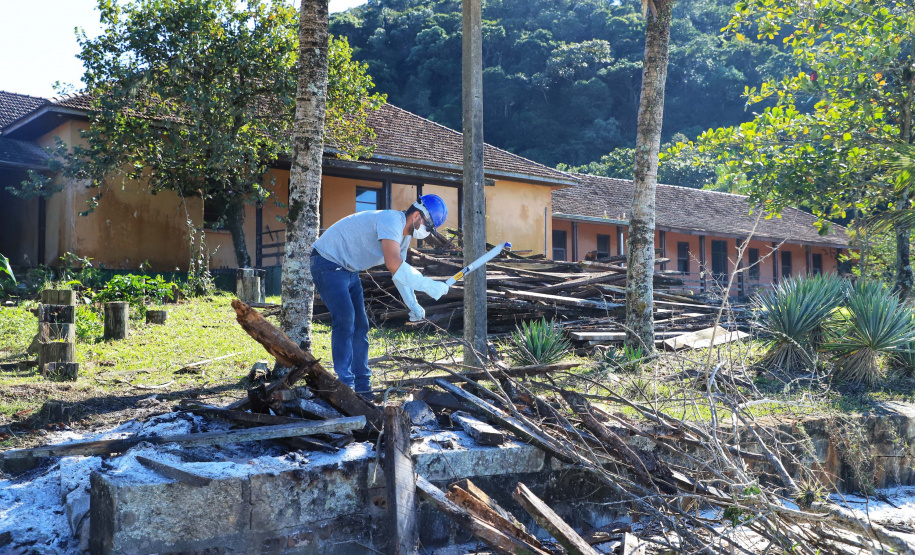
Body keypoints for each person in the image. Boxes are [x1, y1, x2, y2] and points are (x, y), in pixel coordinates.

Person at [310, 194, 450, 399]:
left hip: (348, 269)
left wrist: (413, 303)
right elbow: (393, 262)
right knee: (346, 319)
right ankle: (344, 385)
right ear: (417, 215)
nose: (426, 233)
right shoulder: (392, 220)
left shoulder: (403, 235)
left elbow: (398, 272)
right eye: (427, 227)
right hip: (327, 262)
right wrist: (428, 285)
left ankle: (363, 387)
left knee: (361, 325)